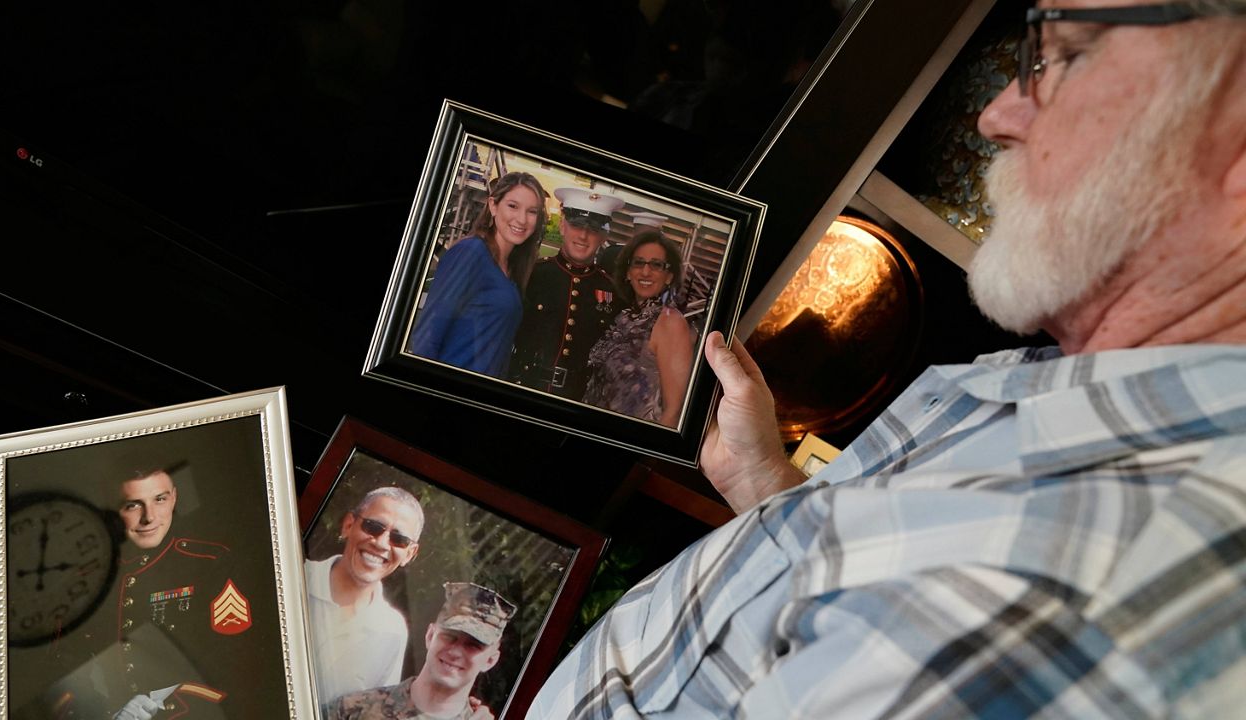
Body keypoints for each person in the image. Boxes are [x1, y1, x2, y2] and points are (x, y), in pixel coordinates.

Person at [531, 2, 1246, 717]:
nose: (996, 114)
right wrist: (764, 483)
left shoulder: (1108, 583)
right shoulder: (1078, 399)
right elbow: (876, 587)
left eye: (1067, 54)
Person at [74, 463, 289, 720]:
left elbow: (237, 666)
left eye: (160, 499)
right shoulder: (89, 581)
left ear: (174, 497)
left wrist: (158, 709)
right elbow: (65, 664)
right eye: (133, 505)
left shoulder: (210, 562)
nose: (149, 517)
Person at [410, 171, 548, 377]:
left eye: (532, 211)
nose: (522, 219)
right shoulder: (471, 253)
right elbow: (427, 336)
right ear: (493, 205)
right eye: (513, 206)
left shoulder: (512, 266)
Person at [326, 582, 517, 720]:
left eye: (473, 645)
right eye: (450, 636)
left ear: (490, 660)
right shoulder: (354, 709)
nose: (456, 652)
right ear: (430, 635)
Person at [306, 486, 425, 706]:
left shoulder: (393, 631)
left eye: (398, 539)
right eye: (374, 527)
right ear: (348, 525)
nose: (381, 544)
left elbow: (370, 712)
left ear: (410, 554)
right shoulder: (297, 574)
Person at [509, 187, 626, 399]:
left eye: (593, 229)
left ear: (603, 236)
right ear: (563, 227)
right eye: (576, 225)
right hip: (523, 387)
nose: (583, 235)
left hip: (575, 399)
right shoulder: (532, 275)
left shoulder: (613, 292)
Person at [583, 230, 697, 427]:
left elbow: (674, 410)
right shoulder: (623, 315)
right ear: (628, 272)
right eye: (638, 263)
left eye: (656, 265)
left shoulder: (670, 322)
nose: (645, 272)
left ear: (669, 276)